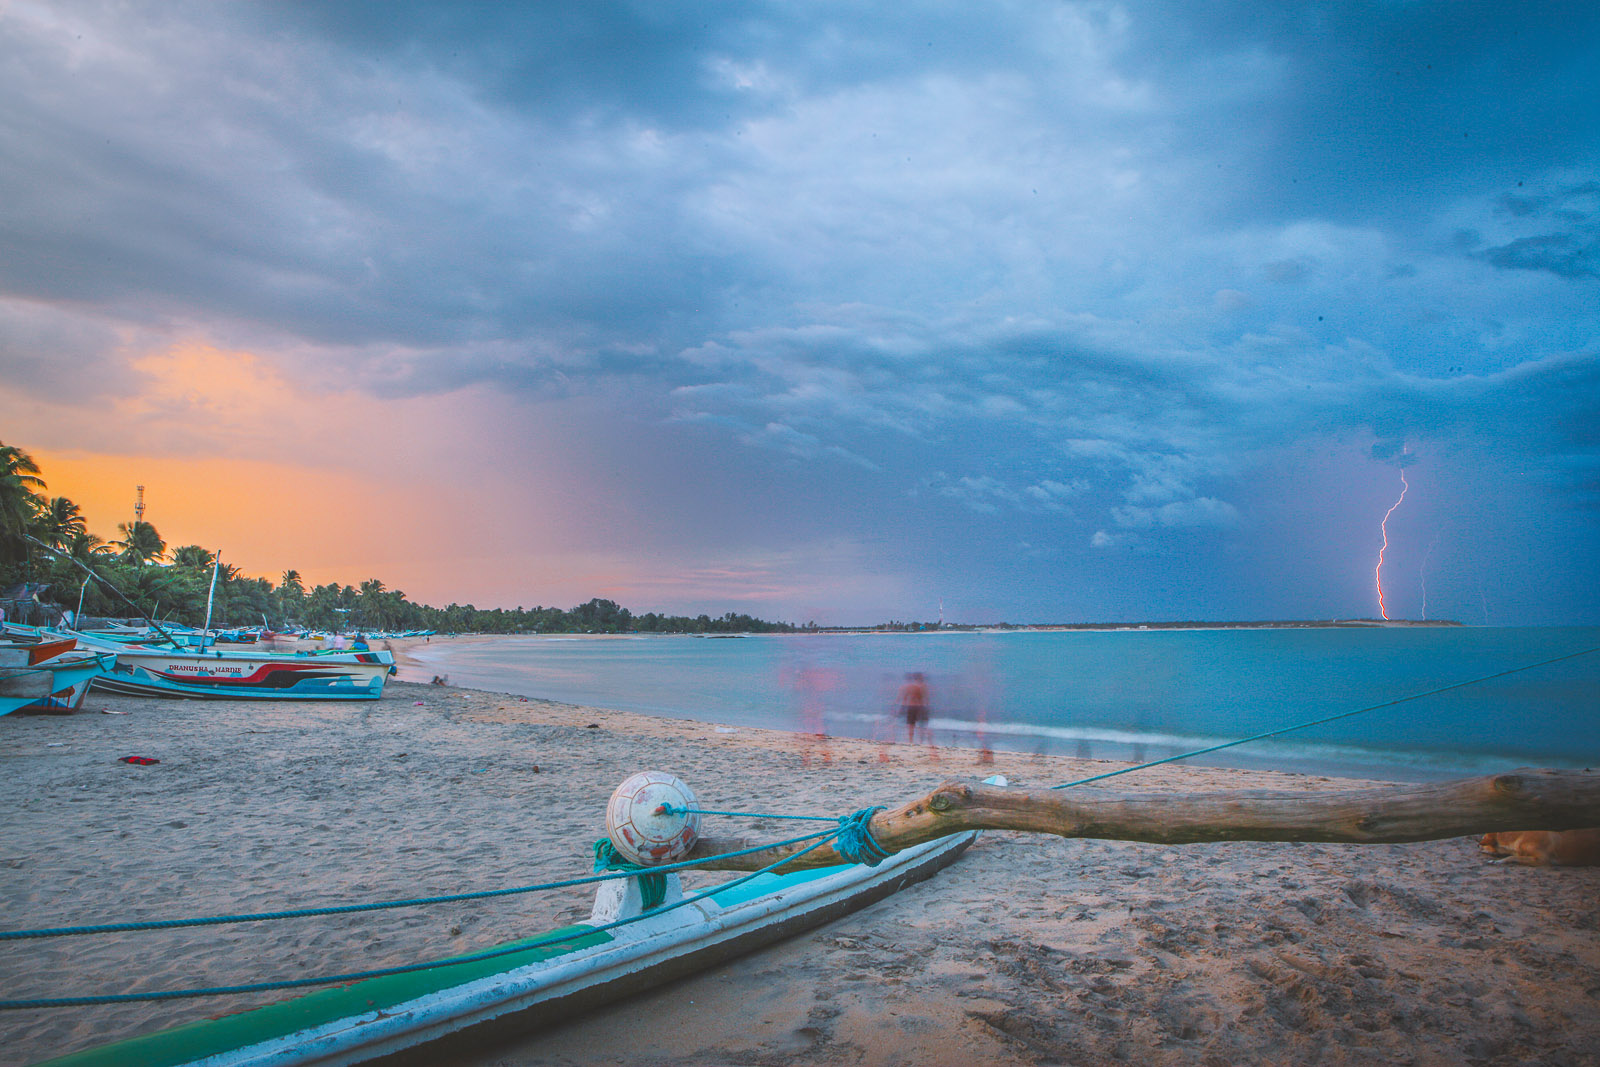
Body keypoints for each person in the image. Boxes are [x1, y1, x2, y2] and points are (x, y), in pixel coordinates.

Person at [898, 672, 931, 745]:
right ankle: (920, 741)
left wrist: (902, 708)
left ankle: (911, 741)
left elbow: (905, 698)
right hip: (920, 706)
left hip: (911, 706)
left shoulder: (910, 687)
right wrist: (927, 708)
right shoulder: (924, 686)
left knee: (911, 725)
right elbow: (926, 698)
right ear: (921, 678)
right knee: (921, 724)